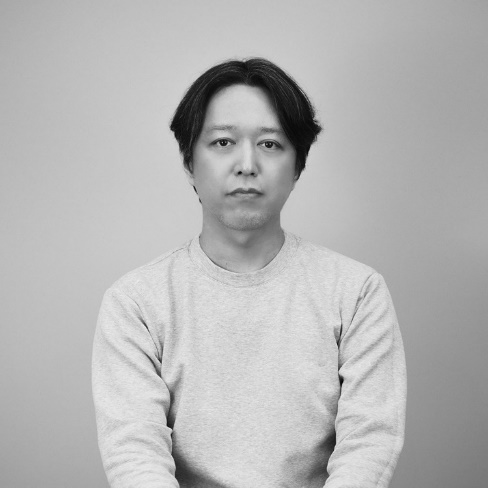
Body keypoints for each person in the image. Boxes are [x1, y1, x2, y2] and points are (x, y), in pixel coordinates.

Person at [92, 58, 407, 488]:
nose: (246, 164)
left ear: (298, 167)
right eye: (222, 142)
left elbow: (369, 443)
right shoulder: (136, 301)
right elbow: (133, 451)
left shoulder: (356, 291)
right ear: (189, 161)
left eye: (270, 144)